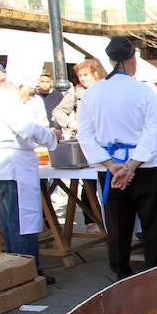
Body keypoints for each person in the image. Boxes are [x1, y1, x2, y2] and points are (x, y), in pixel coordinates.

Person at [77, 36, 157, 281]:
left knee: (117, 224)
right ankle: (155, 272)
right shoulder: (142, 91)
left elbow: (85, 135)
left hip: (111, 167)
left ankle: (121, 274)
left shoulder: (92, 93)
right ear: (130, 59)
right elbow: (153, 131)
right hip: (142, 167)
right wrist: (132, 165)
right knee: (152, 223)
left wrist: (111, 165)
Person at [0, 55, 60, 280]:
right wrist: (51, 137)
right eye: (30, 90)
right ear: (21, 85)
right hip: (11, 167)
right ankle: (27, 272)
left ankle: (19, 268)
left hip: (2, 166)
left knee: (10, 221)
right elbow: (28, 128)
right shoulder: (8, 101)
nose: (30, 95)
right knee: (20, 222)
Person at [52, 58, 106, 233]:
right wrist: (69, 123)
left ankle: (108, 219)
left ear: (95, 73)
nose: (83, 79)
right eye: (80, 75)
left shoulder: (106, 89)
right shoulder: (76, 92)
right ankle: (92, 220)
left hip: (107, 141)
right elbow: (58, 111)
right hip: (86, 142)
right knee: (88, 184)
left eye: (86, 75)